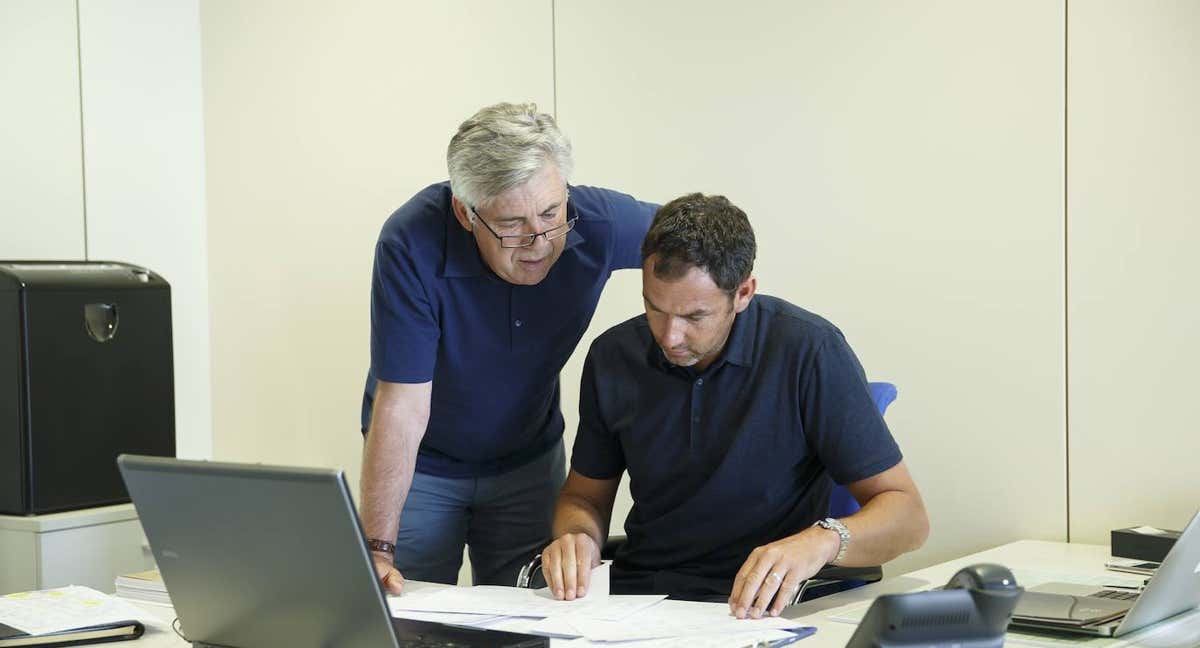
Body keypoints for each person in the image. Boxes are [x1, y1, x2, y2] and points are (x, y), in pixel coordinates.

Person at [539, 193, 929, 619]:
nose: (669, 336)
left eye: (694, 317)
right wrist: (577, 536)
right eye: (654, 308)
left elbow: (908, 516)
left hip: (759, 606)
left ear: (743, 293)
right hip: (639, 602)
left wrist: (822, 541)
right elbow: (584, 497)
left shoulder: (808, 351)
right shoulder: (614, 356)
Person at [360, 102, 655, 594]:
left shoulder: (596, 220)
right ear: (465, 211)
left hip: (528, 462)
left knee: (530, 618)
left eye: (550, 212)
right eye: (512, 222)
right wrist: (377, 547)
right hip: (423, 466)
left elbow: (699, 241)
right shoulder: (411, 240)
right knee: (404, 611)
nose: (539, 240)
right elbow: (403, 403)